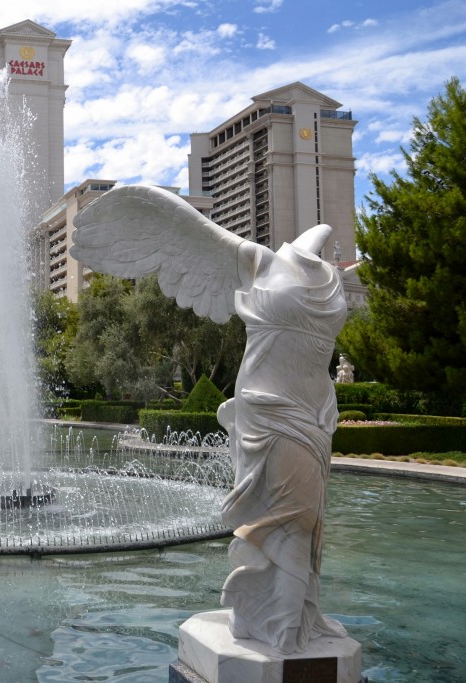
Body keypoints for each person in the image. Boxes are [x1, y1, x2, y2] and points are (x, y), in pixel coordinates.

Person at [70, 185, 348, 654]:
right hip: (268, 408)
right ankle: (281, 625)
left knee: (306, 518)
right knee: (292, 517)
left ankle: (296, 615)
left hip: (316, 410)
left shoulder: (326, 272)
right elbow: (171, 222)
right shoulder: (257, 262)